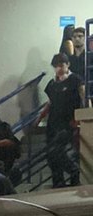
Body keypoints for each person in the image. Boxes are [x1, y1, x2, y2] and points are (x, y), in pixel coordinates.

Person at [38, 53, 84, 188]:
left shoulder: (75, 80)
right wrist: (40, 117)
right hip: (53, 123)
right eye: (56, 66)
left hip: (68, 122)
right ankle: (58, 181)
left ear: (67, 65)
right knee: (51, 154)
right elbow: (50, 103)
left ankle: (74, 172)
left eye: (61, 65)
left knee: (57, 150)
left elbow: (83, 98)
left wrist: (81, 117)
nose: (58, 68)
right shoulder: (52, 84)